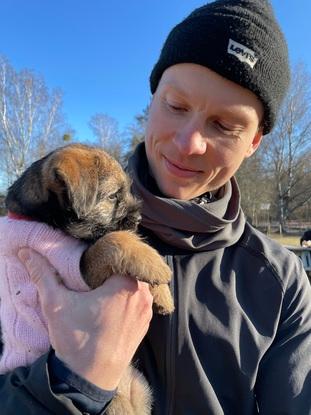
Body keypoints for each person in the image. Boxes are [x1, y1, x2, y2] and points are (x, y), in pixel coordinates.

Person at [1, 0, 311, 414]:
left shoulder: (281, 280)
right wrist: (75, 379)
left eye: (224, 125)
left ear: (254, 141)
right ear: (151, 100)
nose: (188, 144)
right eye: (176, 106)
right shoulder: (44, 227)